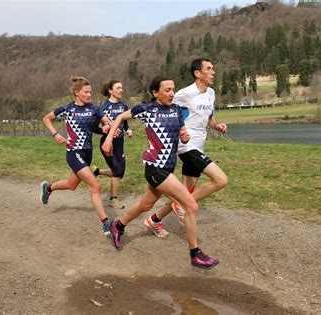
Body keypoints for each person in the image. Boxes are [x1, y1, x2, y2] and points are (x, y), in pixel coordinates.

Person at [102, 76, 219, 270]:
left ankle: (118, 225)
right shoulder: (147, 109)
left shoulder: (175, 110)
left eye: (173, 89)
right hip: (155, 167)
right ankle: (195, 254)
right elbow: (121, 117)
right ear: (155, 92)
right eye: (167, 90)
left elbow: (182, 130)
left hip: (168, 167)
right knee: (190, 205)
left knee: (145, 205)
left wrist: (185, 134)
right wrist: (108, 140)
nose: (172, 93)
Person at [146, 58, 228, 236]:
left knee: (183, 191)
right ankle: (182, 204)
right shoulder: (184, 93)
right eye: (208, 68)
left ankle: (155, 220)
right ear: (198, 73)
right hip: (186, 145)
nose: (213, 72)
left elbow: (210, 119)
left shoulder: (211, 93)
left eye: (213, 68)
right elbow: (162, 102)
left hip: (199, 145)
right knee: (220, 180)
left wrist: (217, 125)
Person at [40, 76, 115, 236]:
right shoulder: (67, 109)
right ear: (76, 92)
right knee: (95, 186)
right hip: (74, 153)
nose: (89, 95)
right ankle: (106, 222)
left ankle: (48, 188)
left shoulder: (93, 109)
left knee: (71, 185)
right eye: (86, 92)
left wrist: (108, 126)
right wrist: (55, 134)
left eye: (90, 92)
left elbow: (106, 121)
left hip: (87, 153)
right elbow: (46, 119)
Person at [91, 80, 132, 210]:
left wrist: (128, 130)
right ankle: (113, 199)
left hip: (120, 143)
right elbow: (93, 127)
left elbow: (124, 122)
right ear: (110, 91)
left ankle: (97, 171)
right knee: (117, 170)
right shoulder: (102, 108)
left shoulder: (123, 106)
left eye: (122, 87)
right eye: (118, 88)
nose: (121, 90)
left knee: (121, 172)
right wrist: (105, 129)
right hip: (107, 144)